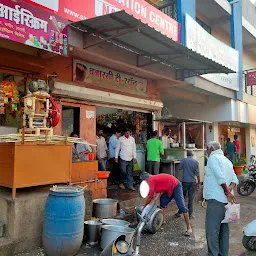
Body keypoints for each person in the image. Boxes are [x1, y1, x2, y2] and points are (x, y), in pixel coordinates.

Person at [204, 141, 238, 256]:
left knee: (212, 231)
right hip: (227, 202)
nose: (206, 152)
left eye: (207, 149)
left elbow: (220, 177)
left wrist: (226, 190)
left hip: (216, 200)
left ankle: (213, 254)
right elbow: (235, 180)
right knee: (224, 231)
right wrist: (230, 189)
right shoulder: (227, 160)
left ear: (210, 149)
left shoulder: (213, 159)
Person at [140, 172, 193, 236]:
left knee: (181, 206)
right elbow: (158, 191)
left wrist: (145, 207)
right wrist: (154, 200)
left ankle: (189, 227)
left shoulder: (150, 181)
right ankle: (163, 220)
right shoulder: (152, 179)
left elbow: (149, 197)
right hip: (169, 188)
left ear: (145, 180)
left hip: (176, 186)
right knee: (163, 201)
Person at [177, 150, 200, 219]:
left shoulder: (184, 160)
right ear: (192, 155)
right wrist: (198, 183)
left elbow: (179, 168)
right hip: (193, 182)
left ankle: (180, 212)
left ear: (187, 155)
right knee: (191, 198)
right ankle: (190, 215)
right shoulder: (196, 162)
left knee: (182, 197)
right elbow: (198, 174)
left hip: (185, 181)